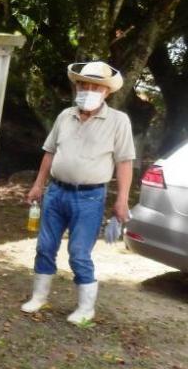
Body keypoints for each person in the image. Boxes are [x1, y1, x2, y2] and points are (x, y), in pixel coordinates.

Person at [21, 61, 135, 324]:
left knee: (79, 252)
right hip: (56, 192)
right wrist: (38, 185)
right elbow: (50, 152)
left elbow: (125, 162)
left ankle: (86, 308)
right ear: (77, 85)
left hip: (90, 197)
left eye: (95, 86)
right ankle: (39, 296)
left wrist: (122, 200)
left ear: (107, 91)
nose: (88, 89)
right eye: (84, 84)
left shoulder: (118, 121)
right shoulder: (65, 115)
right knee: (45, 246)